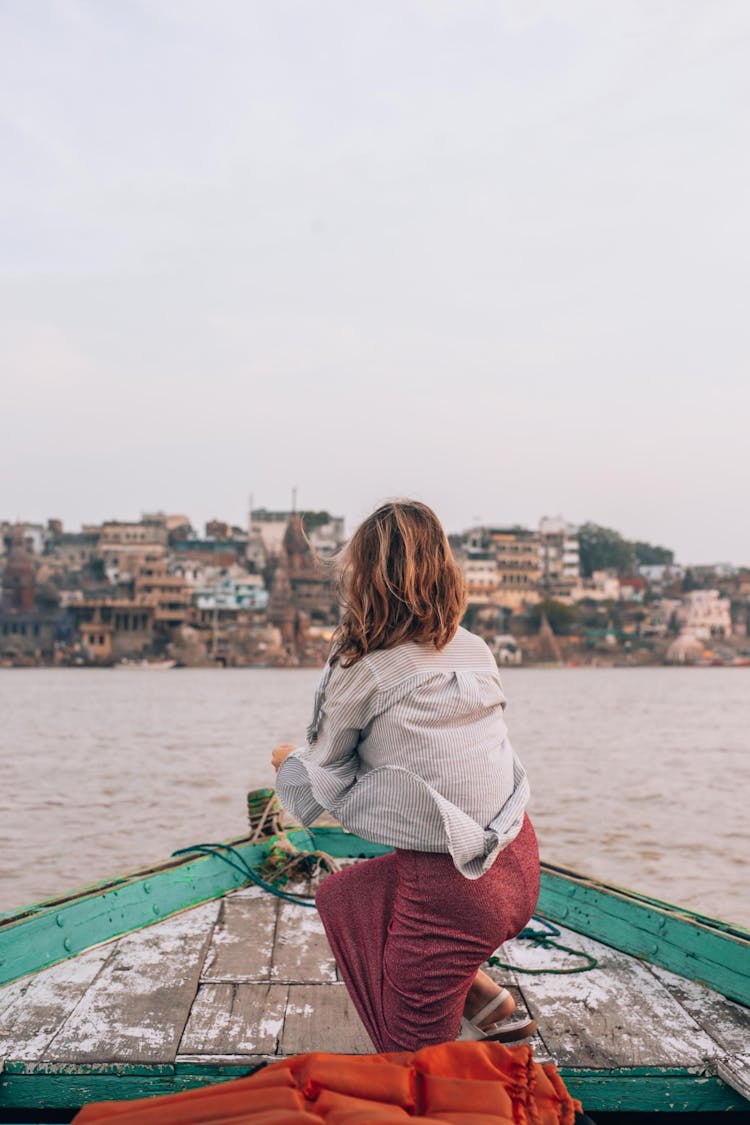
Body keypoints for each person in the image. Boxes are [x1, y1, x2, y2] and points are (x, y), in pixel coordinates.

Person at [272, 500, 540, 1053]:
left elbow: (316, 780)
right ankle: (488, 1003)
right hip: (520, 863)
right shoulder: (476, 650)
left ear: (364, 579)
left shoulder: (366, 666)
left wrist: (284, 759)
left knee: (415, 1070)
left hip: (453, 893)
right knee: (342, 896)